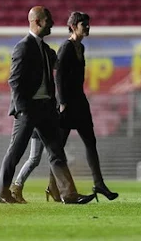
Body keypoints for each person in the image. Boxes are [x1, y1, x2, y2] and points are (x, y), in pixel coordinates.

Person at [9, 11, 118, 203]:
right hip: (64, 105)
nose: (88, 27)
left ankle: (97, 183)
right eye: (84, 24)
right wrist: (62, 102)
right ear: (74, 26)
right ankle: (32, 187)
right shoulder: (65, 48)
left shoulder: (80, 48)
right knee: (49, 152)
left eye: (88, 24)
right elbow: (58, 76)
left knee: (84, 145)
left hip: (78, 103)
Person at [0, 6, 96, 205]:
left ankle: (68, 194)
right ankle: (2, 191)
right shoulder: (23, 47)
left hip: (46, 109)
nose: (52, 23)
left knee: (56, 151)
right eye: (48, 19)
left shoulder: (46, 50)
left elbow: (61, 68)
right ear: (37, 22)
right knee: (16, 152)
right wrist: (22, 108)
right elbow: (14, 81)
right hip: (28, 109)